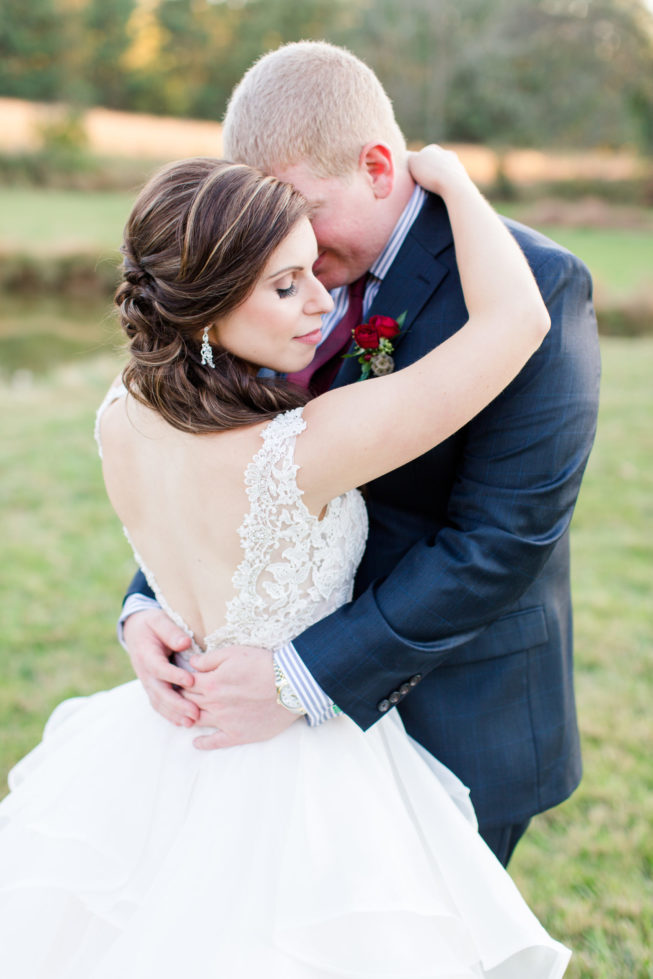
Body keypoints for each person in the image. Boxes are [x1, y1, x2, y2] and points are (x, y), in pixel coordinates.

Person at [0, 149, 571, 977]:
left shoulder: (118, 414)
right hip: (298, 777)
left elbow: (184, 552)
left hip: (169, 739)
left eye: (313, 271)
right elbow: (514, 325)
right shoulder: (299, 450)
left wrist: (139, 611)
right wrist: (448, 178)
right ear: (203, 309)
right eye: (283, 286)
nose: (321, 301)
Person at [122, 41, 601, 867]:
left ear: (379, 165)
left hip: (457, 708)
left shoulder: (534, 284)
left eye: (301, 208)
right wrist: (147, 603)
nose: (282, 241)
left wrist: (299, 676)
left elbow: (499, 541)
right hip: (252, 716)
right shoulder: (262, 274)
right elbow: (223, 455)